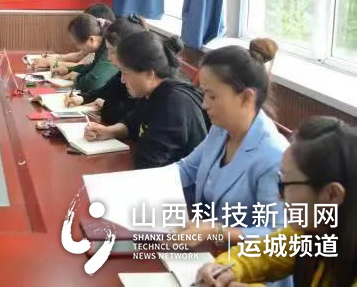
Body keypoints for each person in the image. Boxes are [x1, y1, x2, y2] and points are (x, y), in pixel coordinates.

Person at [195, 116, 357, 287]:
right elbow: (263, 253)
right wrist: (224, 269)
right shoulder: (310, 230)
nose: (279, 196)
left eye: (285, 185)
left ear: (332, 195)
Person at [173, 39, 288, 246]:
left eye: (212, 96)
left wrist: (215, 230)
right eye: (204, 94)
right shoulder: (221, 129)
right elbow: (186, 169)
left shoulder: (274, 156)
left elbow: (276, 233)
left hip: (243, 260)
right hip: (207, 250)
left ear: (246, 97)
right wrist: (132, 183)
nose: (204, 104)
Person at [83, 31, 208, 168]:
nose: (122, 80)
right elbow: (133, 123)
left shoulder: (173, 104)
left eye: (125, 73)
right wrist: (109, 131)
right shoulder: (153, 92)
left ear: (149, 74)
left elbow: (149, 163)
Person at [65, 14, 147, 125]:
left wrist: (105, 105)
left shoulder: (141, 81)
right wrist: (82, 98)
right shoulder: (122, 73)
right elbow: (105, 90)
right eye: (108, 50)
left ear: (130, 51)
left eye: (112, 51)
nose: (108, 57)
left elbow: (121, 117)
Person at [33, 3, 116, 70]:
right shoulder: (96, 43)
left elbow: (82, 66)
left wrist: (51, 62)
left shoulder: (105, 47)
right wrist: (54, 58)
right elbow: (79, 55)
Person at [51, 14, 119, 92]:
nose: (78, 47)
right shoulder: (101, 46)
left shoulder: (109, 49)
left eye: (78, 44)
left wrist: (76, 78)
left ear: (92, 39)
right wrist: (69, 69)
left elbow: (94, 82)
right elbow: (93, 67)